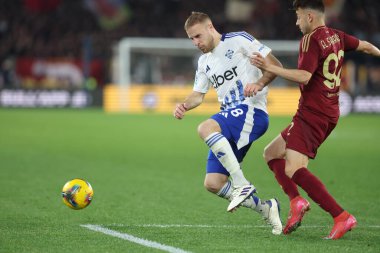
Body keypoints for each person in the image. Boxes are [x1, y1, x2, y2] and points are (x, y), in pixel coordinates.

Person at [250, 0, 380, 239]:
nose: (297, 22)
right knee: (271, 152)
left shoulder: (311, 39)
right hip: (328, 111)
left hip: (312, 113)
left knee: (294, 169)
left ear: (310, 16)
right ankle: (296, 202)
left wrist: (270, 68)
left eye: (298, 17)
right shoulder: (338, 35)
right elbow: (367, 47)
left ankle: (341, 216)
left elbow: (304, 76)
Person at [173, 11, 283, 235]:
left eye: (198, 36)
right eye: (191, 39)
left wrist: (260, 83)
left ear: (210, 27)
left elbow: (274, 64)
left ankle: (241, 183)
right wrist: (184, 105)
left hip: (252, 110)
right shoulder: (204, 62)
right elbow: (198, 95)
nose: (196, 42)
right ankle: (266, 208)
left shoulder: (239, 40)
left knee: (205, 128)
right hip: (231, 118)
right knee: (213, 182)